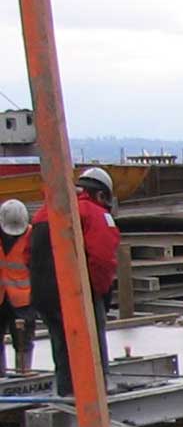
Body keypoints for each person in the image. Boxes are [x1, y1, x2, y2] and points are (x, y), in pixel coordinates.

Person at [28, 167, 119, 397]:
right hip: (76, 291)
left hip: (43, 294)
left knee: (61, 342)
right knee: (93, 339)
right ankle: (97, 391)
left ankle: (67, 391)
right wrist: (101, 292)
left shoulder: (44, 212)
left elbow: (29, 254)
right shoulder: (96, 213)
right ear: (101, 195)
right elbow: (102, 258)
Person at [0, 199, 33, 375]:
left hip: (23, 300)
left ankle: (24, 377)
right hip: (1, 297)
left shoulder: (31, 236)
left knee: (23, 342)